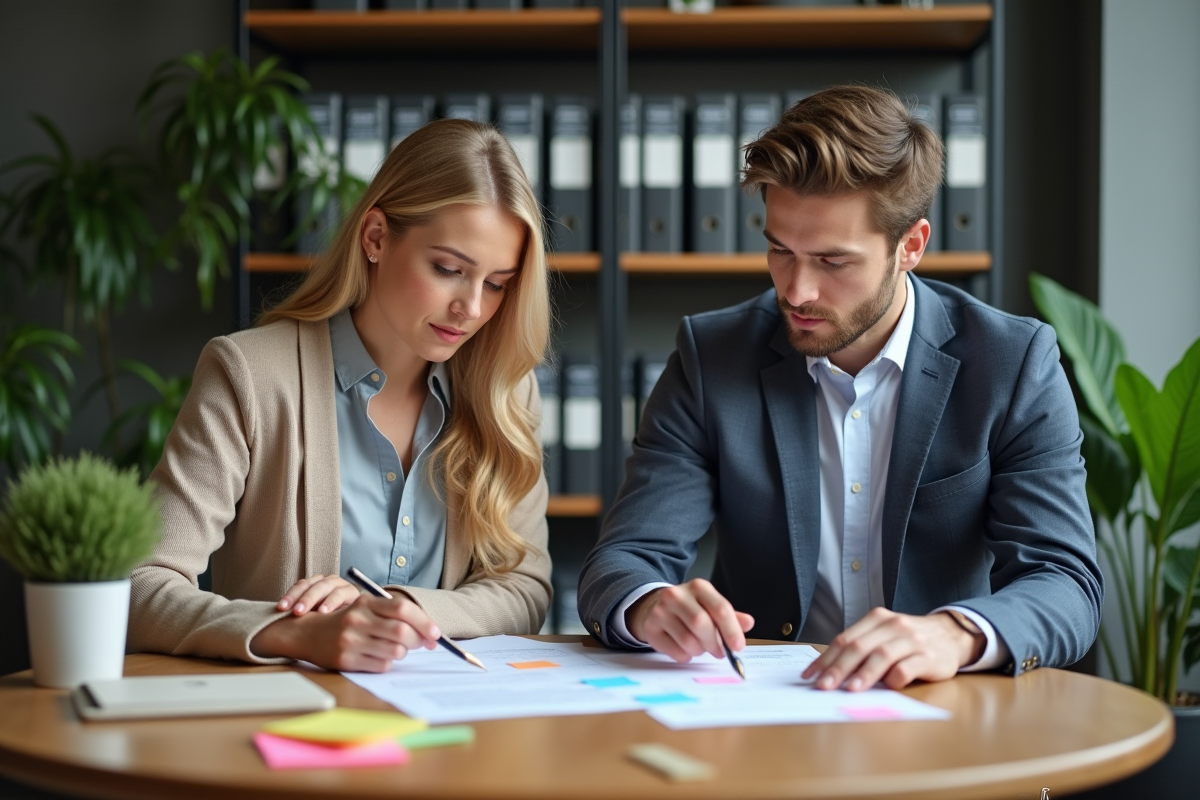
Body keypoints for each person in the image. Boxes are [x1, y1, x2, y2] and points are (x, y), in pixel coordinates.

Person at [578, 85, 1102, 690]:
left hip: (939, 704)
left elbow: (1066, 582)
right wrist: (649, 604)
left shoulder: (1011, 363)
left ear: (910, 246)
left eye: (833, 261)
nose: (796, 291)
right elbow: (623, 560)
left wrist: (955, 634)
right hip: (765, 707)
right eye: (780, 251)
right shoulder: (711, 356)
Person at [129, 119, 553, 672]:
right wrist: (296, 634)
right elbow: (140, 584)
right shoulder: (250, 375)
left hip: (443, 715)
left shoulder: (505, 390)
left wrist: (401, 610)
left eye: (497, 284)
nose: (471, 308)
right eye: (449, 269)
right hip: (290, 714)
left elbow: (525, 588)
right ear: (375, 237)